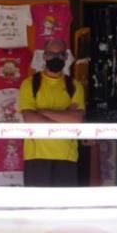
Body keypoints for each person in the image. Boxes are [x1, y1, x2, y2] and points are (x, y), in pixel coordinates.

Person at [18, 37, 85, 187]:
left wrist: (42, 111)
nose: (55, 58)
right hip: (36, 156)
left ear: (66, 57)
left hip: (66, 156)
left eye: (60, 55)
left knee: (63, 207)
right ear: (44, 56)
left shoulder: (74, 86)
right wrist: (64, 117)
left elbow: (77, 119)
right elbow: (29, 118)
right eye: (51, 54)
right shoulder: (29, 84)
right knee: (37, 207)